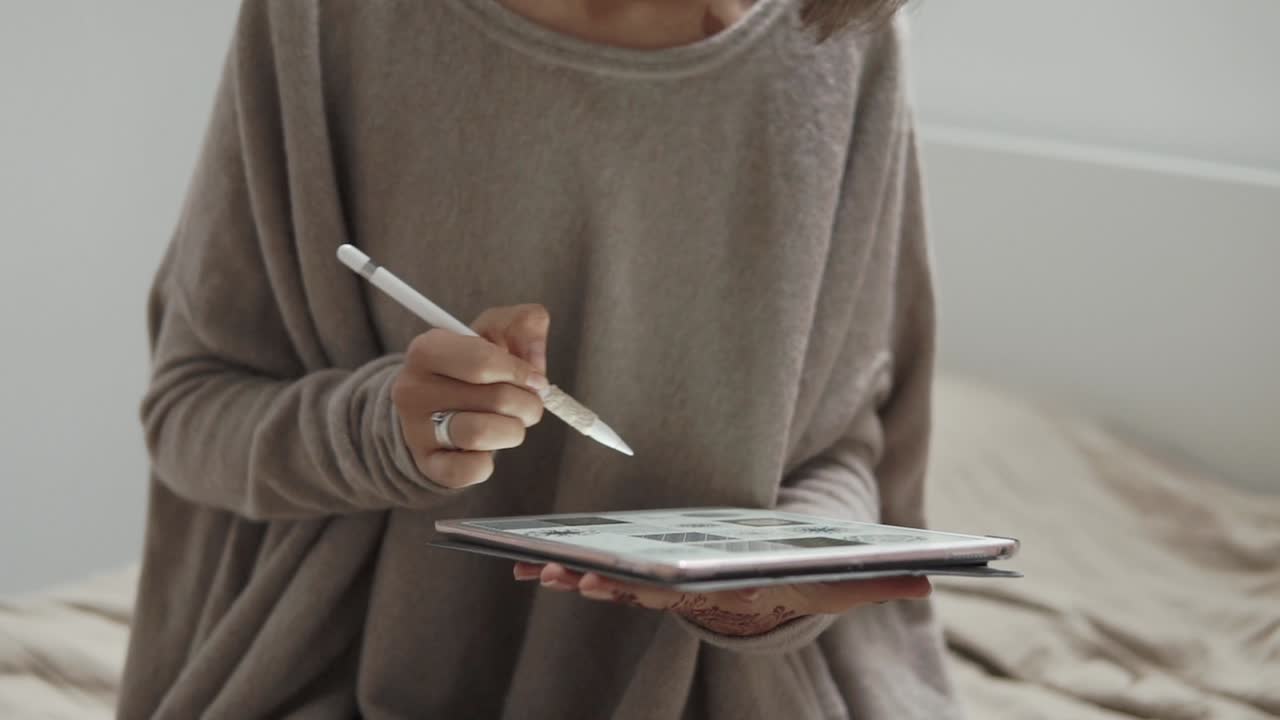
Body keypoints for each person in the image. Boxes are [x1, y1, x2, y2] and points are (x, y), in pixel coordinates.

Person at [119, 0, 959, 717]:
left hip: (730, 692)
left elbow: (849, 451)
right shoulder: (327, 21)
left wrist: (778, 585)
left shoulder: (845, 41)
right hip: (344, 681)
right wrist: (385, 432)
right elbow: (191, 413)